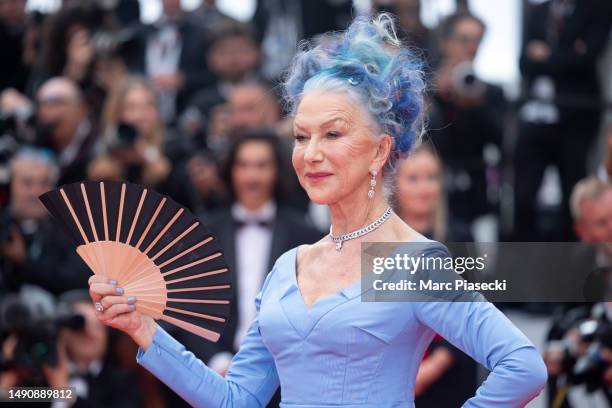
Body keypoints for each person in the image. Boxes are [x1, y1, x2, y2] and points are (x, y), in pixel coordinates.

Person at [87, 14, 547, 407]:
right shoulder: (290, 266)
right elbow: (236, 399)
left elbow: (522, 367)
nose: (310, 154)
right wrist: (144, 329)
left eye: (332, 134)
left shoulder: (414, 262)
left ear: (379, 150)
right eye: (301, 136)